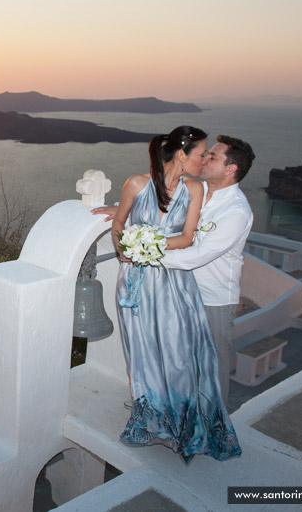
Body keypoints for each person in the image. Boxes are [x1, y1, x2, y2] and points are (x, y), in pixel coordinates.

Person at [96, 125, 241, 463]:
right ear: (181, 154)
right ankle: (150, 422)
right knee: (143, 352)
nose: (204, 160)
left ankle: (184, 425)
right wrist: (125, 251)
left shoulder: (196, 188)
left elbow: (188, 237)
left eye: (208, 155)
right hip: (135, 282)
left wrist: (147, 246)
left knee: (178, 353)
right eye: (201, 153)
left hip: (174, 282)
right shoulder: (135, 183)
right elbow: (119, 225)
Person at [160, 135, 255, 405]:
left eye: (212, 156)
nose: (204, 159)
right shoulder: (196, 190)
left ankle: (215, 430)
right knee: (181, 360)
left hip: (213, 300)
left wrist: (147, 255)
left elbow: (198, 256)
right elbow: (162, 207)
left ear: (231, 169)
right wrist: (120, 209)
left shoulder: (236, 211)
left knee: (212, 368)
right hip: (183, 291)